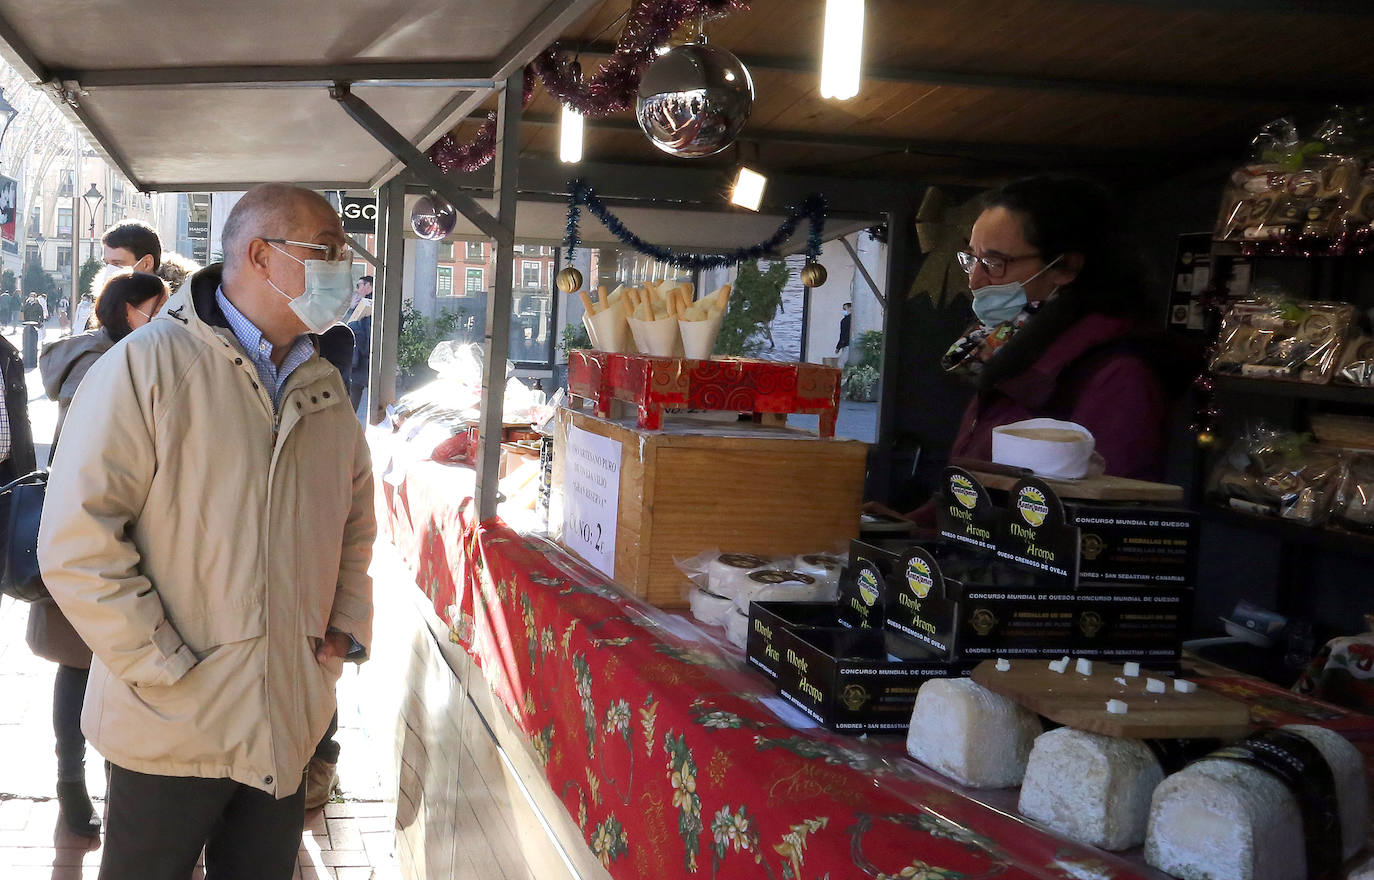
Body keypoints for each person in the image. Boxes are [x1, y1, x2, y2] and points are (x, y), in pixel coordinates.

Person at [38, 183, 375, 879]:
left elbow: (355, 523)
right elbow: (77, 541)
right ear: (260, 254)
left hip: (285, 713)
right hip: (171, 722)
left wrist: (343, 628)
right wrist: (159, 664)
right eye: (327, 250)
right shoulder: (147, 366)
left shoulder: (321, 383)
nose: (343, 266)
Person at [28, 270, 169, 839]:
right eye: (158, 308)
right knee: (116, 669)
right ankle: (113, 791)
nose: (165, 319)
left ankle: (74, 788)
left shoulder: (82, 359)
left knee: (76, 667)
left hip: (72, 531)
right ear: (134, 312)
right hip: (111, 533)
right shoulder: (123, 366)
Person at [346, 275, 373, 415]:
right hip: (371, 360)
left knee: (354, 397)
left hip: (362, 360)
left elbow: (355, 331)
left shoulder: (366, 307)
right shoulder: (381, 304)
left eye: (359, 286)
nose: (357, 290)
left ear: (369, 287)